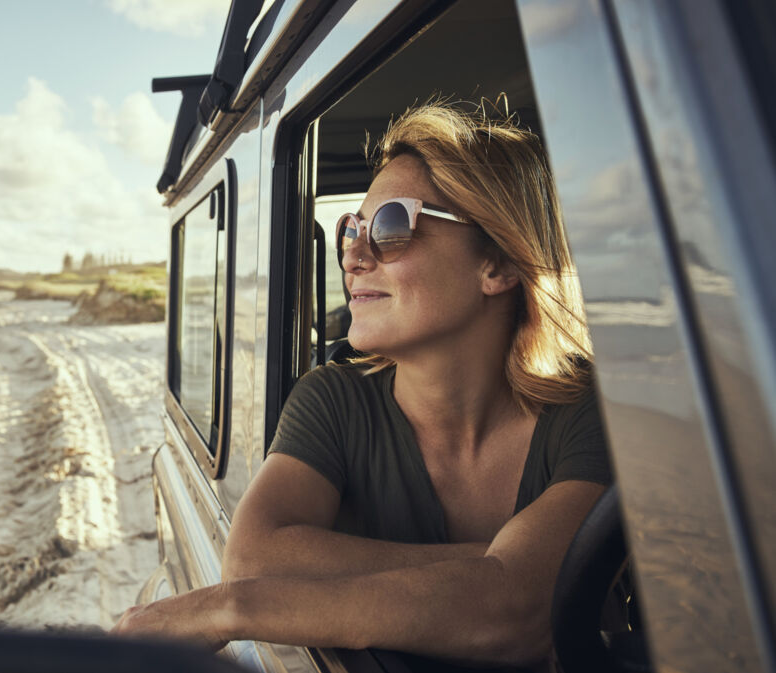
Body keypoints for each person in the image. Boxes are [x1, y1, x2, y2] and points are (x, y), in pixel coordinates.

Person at [111, 102, 612, 669]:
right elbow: (253, 562)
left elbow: (516, 613)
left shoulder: (591, 410)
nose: (352, 253)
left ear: (497, 263)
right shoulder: (333, 400)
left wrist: (234, 609)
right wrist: (489, 569)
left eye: (392, 224)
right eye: (351, 227)